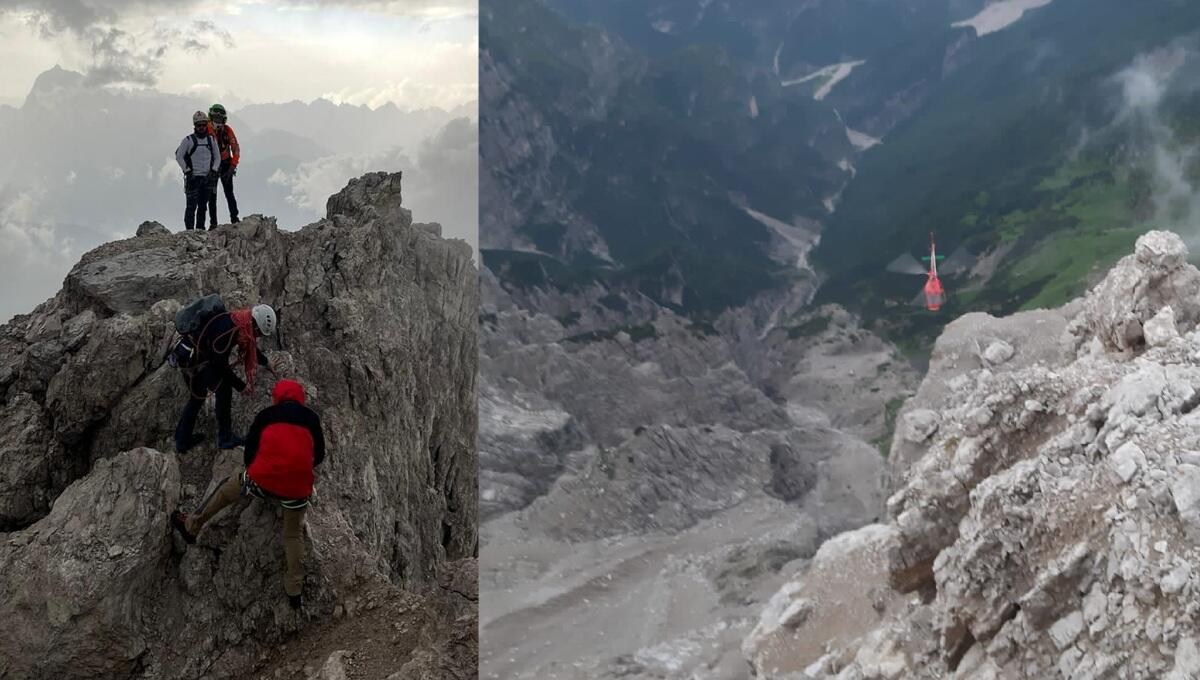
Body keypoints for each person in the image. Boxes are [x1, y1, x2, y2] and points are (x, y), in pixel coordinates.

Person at [171, 379, 327, 609]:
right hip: (296, 489)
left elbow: (250, 454)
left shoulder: (266, 416)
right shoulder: (312, 419)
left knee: (226, 489)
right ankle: (294, 590)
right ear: (299, 397)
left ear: (277, 396)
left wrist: (262, 469)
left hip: (262, 481)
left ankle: (192, 526)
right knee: (293, 535)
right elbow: (320, 455)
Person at [174, 303, 277, 453]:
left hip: (192, 357)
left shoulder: (240, 321)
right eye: (259, 333)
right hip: (199, 362)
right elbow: (220, 366)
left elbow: (251, 346)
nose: (258, 336)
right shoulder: (230, 330)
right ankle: (225, 438)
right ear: (255, 326)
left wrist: (266, 362)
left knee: (197, 398)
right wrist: (241, 386)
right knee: (224, 391)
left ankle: (182, 439)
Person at [174, 111, 221, 231]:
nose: (201, 128)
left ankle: (200, 230)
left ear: (206, 125)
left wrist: (214, 170)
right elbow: (179, 156)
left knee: (202, 207)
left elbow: (217, 157)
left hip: (207, 178)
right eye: (199, 125)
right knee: (191, 207)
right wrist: (188, 171)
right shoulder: (188, 140)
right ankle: (189, 232)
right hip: (193, 179)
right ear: (194, 126)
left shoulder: (211, 140)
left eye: (203, 125)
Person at [205, 103, 241, 227]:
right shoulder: (207, 129)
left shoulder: (227, 130)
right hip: (212, 166)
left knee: (229, 193)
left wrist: (232, 166)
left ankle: (234, 218)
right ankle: (213, 223)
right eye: (215, 118)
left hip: (225, 165)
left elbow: (235, 148)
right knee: (212, 196)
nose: (218, 121)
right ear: (211, 117)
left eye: (220, 119)